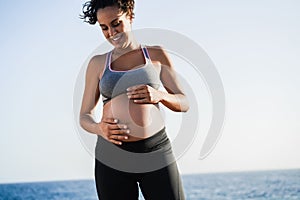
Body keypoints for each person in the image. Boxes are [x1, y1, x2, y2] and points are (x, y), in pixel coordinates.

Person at [79, 0, 189, 199]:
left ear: (130, 16)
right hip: (111, 157)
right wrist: (99, 128)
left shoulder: (156, 54)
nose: (111, 33)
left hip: (156, 152)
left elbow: (184, 102)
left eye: (116, 23)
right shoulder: (97, 63)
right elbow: (84, 116)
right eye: (104, 28)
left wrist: (160, 96)